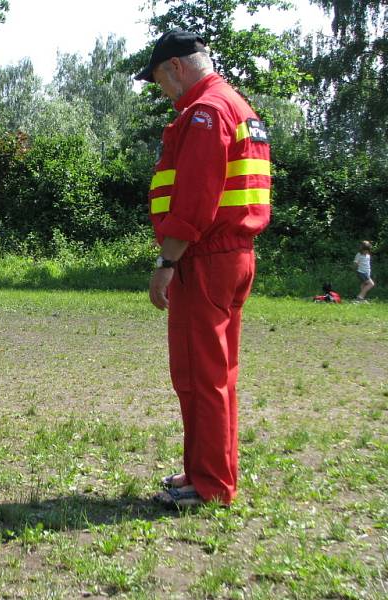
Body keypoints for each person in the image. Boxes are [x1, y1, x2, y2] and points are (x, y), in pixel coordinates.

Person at [135, 29, 271, 508]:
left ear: (174, 66)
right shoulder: (239, 107)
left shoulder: (204, 113)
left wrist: (166, 261)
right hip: (237, 256)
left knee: (199, 376)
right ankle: (209, 472)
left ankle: (210, 484)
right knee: (220, 374)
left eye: (157, 80)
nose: (162, 91)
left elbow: (194, 199)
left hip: (205, 259)